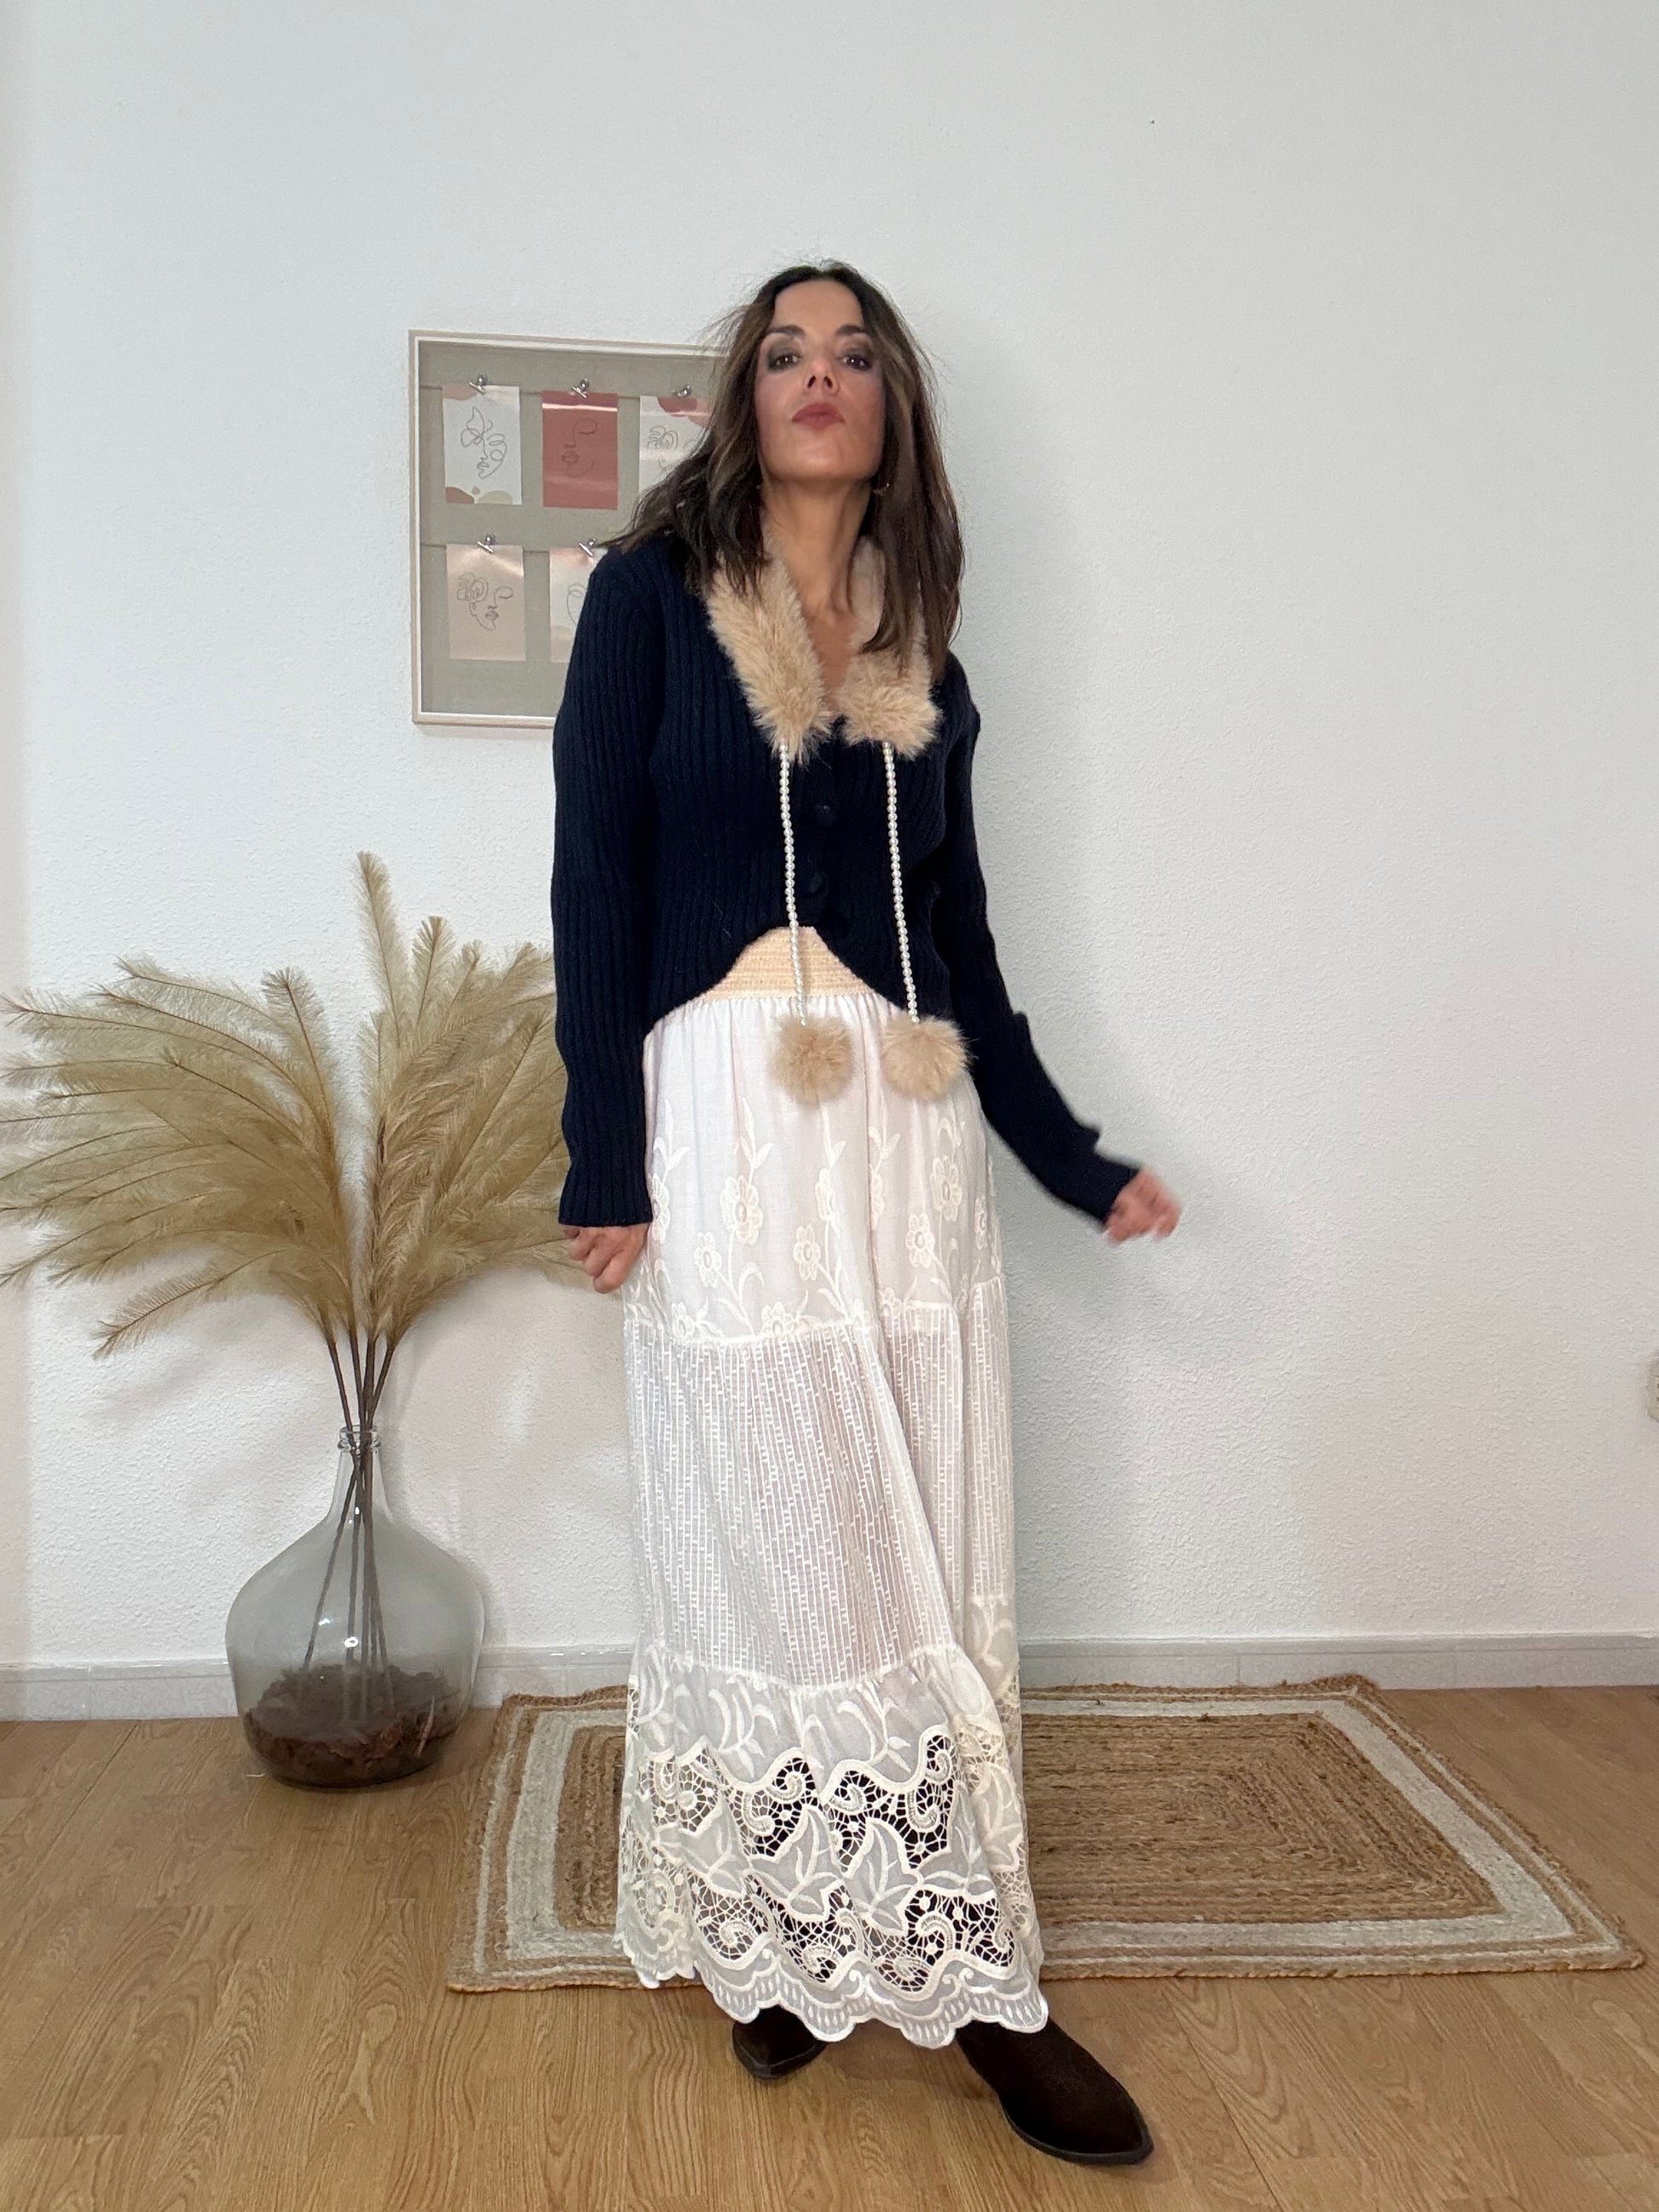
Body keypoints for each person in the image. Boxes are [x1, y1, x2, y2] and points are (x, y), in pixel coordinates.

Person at [552, 258, 1181, 2169]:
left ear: (890, 404)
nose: (816, 378)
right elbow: (593, 878)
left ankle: (876, 1943)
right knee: (781, 1532)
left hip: (901, 1143)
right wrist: (602, 1154)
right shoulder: (646, 601)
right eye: (782, 354)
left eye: (850, 356)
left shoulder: (927, 660)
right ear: (742, 399)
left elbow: (964, 945)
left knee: (923, 1529)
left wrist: (1070, 1157)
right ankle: (915, 1974)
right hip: (727, 1113)